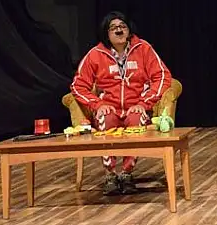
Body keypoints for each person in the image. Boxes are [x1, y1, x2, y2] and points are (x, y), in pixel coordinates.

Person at [71, 11, 172, 195]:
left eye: (122, 26)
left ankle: (126, 174)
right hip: (109, 108)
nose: (119, 30)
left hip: (136, 107)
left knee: (136, 118)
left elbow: (163, 76)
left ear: (129, 30)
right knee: (106, 118)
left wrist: (144, 103)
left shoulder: (143, 49)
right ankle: (110, 175)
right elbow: (78, 85)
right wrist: (97, 105)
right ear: (106, 33)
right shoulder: (95, 54)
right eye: (113, 28)